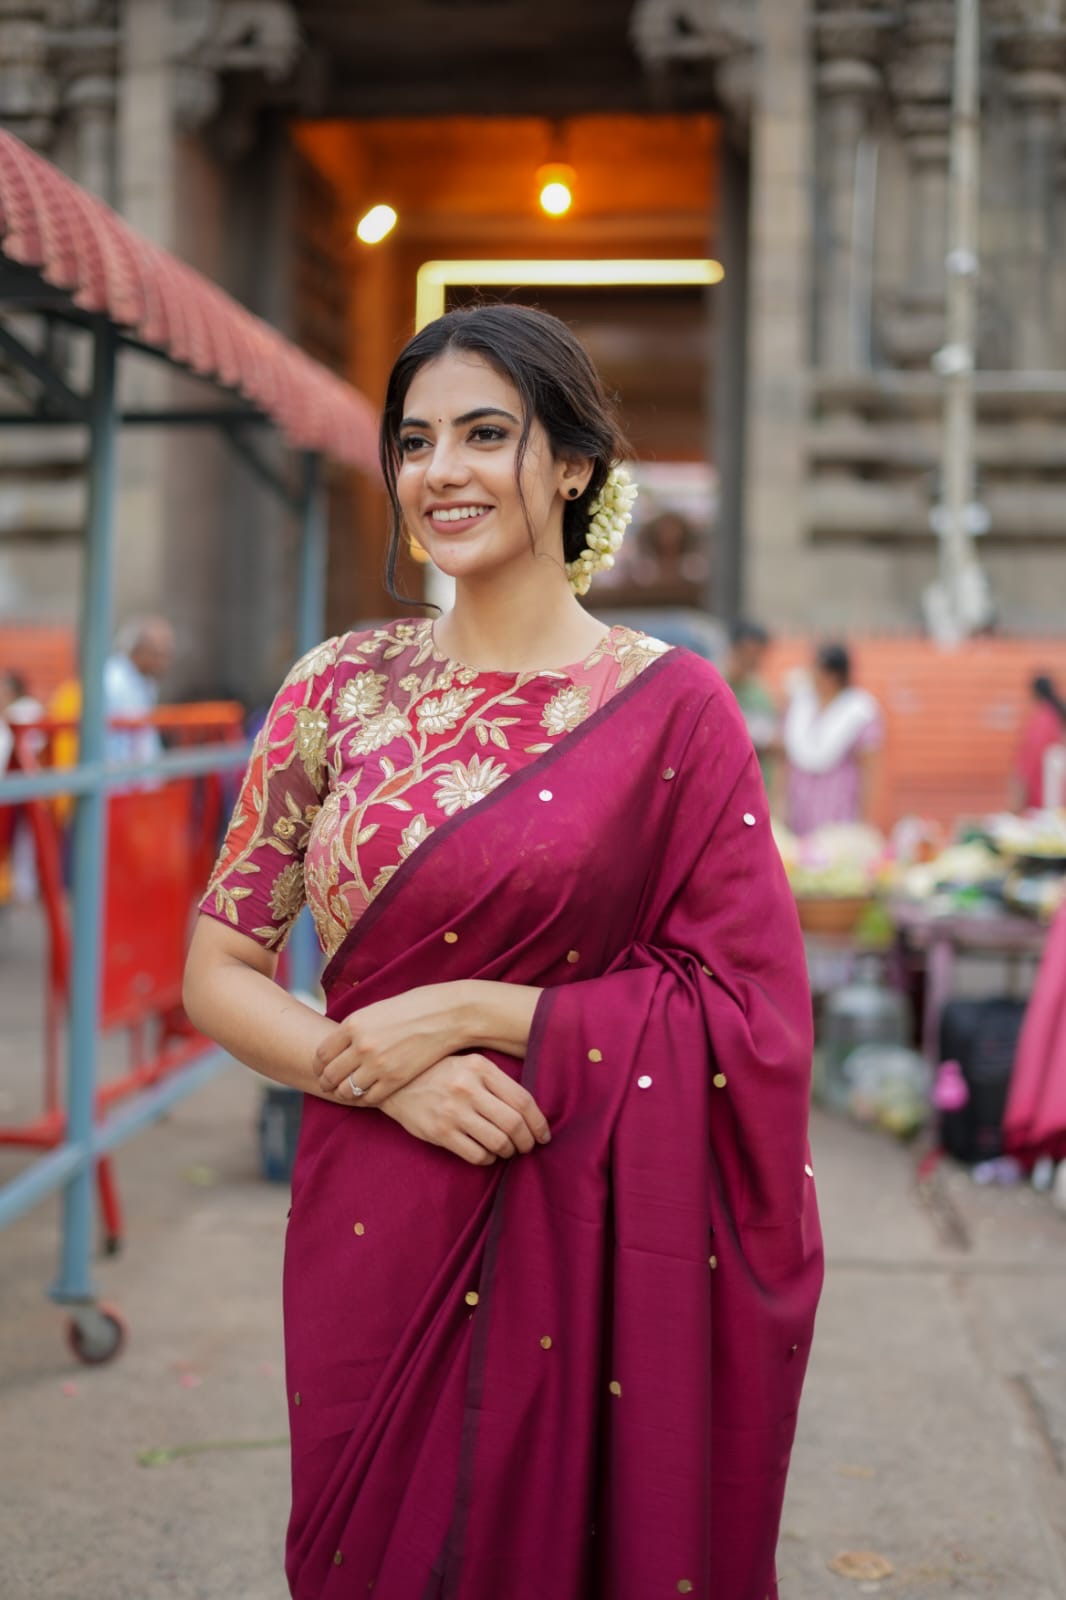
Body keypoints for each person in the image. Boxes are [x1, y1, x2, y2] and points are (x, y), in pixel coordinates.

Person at [183, 303, 822, 1600]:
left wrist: (481, 1008)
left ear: (574, 461)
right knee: (368, 1549)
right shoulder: (335, 689)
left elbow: (751, 1010)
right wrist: (389, 1072)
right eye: (415, 441)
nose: (443, 472)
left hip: (572, 1195)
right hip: (376, 1196)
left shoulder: (671, 707)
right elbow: (217, 968)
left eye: (486, 433)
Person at [782, 641, 882, 836]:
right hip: (799, 811)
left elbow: (871, 768)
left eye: (817, 670)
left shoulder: (859, 711)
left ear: (833, 676)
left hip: (839, 815)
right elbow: (786, 757)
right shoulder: (802, 705)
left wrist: (866, 819)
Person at [725, 618, 777, 790]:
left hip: (754, 786)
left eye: (758, 654)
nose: (753, 660)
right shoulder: (714, 687)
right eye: (749, 653)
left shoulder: (761, 695)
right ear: (734, 649)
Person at [1012, 673, 1066, 811]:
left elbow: (1031, 758)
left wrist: (1020, 790)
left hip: (1043, 790)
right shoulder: (1055, 715)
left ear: (1034, 693)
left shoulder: (1043, 719)